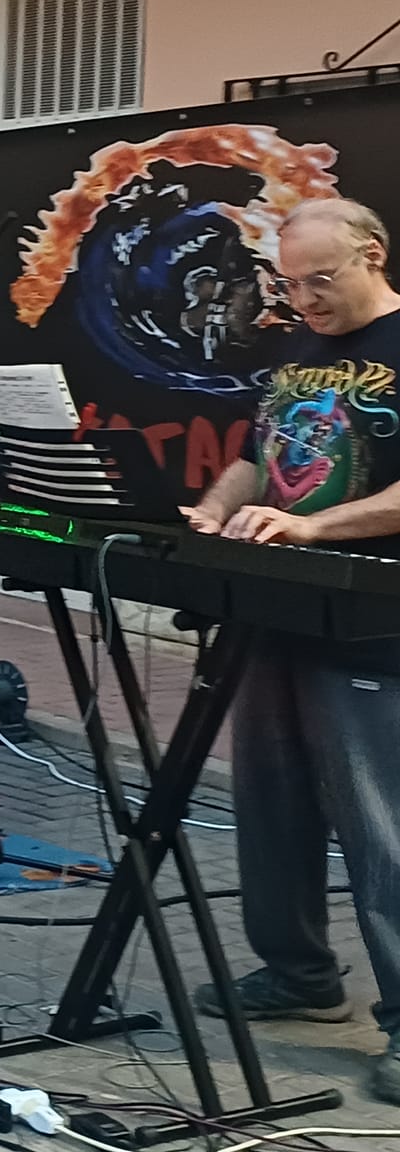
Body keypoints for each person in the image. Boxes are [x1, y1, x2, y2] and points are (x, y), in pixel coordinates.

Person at [182, 198, 400, 1103]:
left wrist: (312, 526)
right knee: (268, 802)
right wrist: (216, 507)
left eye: (321, 280)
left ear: (373, 255)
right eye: (291, 283)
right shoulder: (297, 351)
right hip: (274, 611)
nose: (303, 299)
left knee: (382, 828)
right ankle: (300, 974)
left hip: (374, 625)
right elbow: (254, 454)